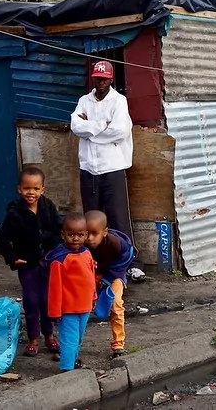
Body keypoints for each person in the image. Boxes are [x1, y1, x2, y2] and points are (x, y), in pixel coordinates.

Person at [70, 60, 145, 283]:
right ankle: (95, 262)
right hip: (89, 169)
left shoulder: (118, 101)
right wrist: (102, 124)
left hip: (112, 167)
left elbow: (119, 131)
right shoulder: (84, 100)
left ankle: (131, 263)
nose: (100, 82)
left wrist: (89, 128)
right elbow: (75, 126)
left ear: (111, 79)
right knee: (91, 219)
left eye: (104, 78)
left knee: (118, 218)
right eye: (97, 78)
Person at [0, 166, 62, 358]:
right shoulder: (15, 212)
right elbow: (3, 239)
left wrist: (56, 254)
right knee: (31, 300)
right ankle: (33, 339)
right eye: (27, 188)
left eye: (35, 189)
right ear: (19, 189)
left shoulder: (48, 207)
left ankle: (49, 335)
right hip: (27, 264)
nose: (31, 193)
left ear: (42, 189)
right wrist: (12, 258)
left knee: (47, 299)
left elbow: (59, 231)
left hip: (48, 263)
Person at [45, 213, 96, 372]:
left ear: (86, 235)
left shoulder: (86, 253)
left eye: (80, 235)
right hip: (68, 309)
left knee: (78, 337)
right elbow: (54, 287)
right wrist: (54, 311)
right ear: (63, 235)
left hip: (85, 306)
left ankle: (73, 361)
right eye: (71, 234)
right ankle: (67, 369)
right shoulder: (59, 260)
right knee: (69, 340)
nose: (75, 238)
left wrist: (93, 296)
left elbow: (91, 277)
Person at [84, 210, 135, 359]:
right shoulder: (80, 242)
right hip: (93, 274)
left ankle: (118, 344)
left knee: (116, 305)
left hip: (114, 275)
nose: (90, 238)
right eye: (86, 233)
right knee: (81, 307)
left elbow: (126, 259)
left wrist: (106, 279)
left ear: (104, 232)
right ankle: (73, 345)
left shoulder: (116, 244)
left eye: (94, 234)